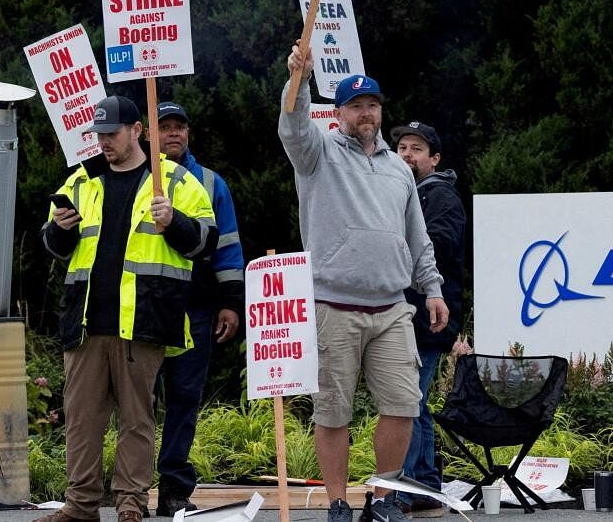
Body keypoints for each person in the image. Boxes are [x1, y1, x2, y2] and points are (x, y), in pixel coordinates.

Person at [278, 50, 448, 522]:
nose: (366, 112)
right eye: (355, 105)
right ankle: (337, 503)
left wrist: (432, 288)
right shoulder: (317, 153)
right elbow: (292, 127)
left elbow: (417, 235)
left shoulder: (399, 168)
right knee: (332, 411)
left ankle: (385, 497)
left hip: (393, 307)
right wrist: (299, 78)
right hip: (333, 304)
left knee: (403, 405)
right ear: (338, 113)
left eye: (372, 104)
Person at [37, 96, 217, 522]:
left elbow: (207, 242)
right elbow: (54, 246)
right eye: (98, 135)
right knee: (82, 420)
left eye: (112, 134)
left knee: (137, 419)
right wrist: (58, 231)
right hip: (84, 322)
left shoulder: (174, 180)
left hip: (144, 319)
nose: (104, 142)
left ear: (137, 131)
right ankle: (81, 505)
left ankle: (131, 504)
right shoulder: (78, 181)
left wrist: (175, 221)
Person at [152, 101, 244, 516]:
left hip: (195, 306)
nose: (173, 133)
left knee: (185, 398)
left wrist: (230, 303)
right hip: (144, 306)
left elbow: (228, 247)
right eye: (165, 126)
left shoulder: (210, 182)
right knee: (135, 402)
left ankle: (173, 490)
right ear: (148, 133)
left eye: (180, 127)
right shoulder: (134, 176)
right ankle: (130, 488)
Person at [389, 122, 467, 514]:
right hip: (412, 315)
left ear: (434, 160)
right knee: (413, 402)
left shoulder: (440, 197)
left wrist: (389, 245)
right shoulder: (405, 194)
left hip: (427, 317)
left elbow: (436, 245)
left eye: (416, 149)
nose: (406, 154)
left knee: (408, 402)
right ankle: (423, 485)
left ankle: (408, 488)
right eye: (401, 147)